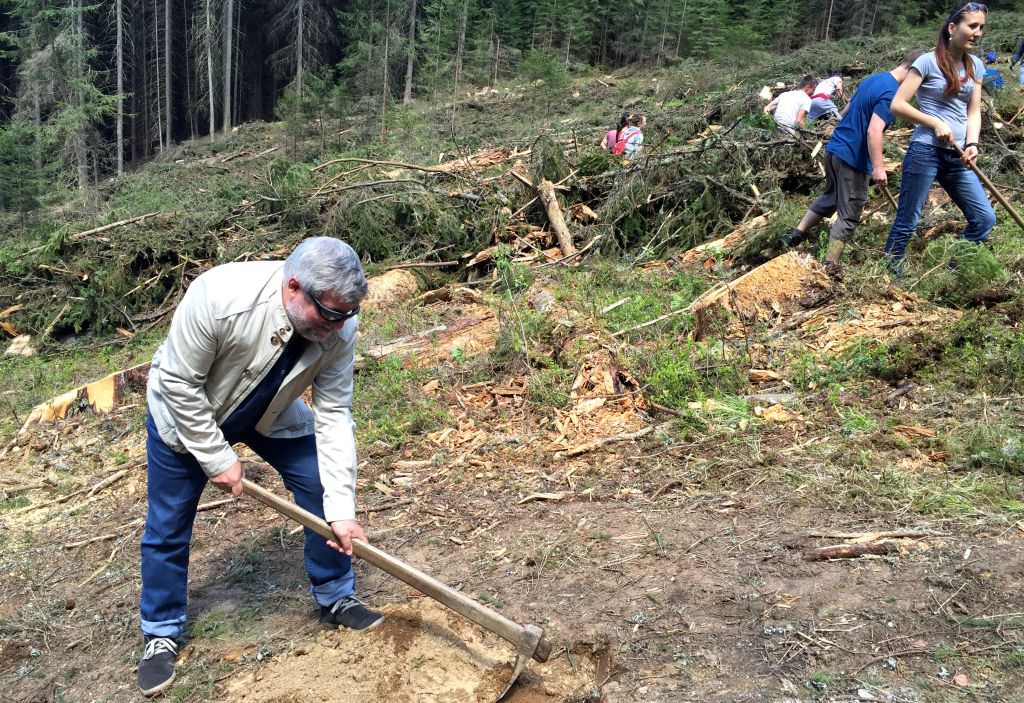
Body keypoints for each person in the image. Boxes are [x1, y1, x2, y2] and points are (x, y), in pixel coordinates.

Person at [137, 238, 380, 696]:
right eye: (328, 315)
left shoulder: (340, 322)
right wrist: (215, 456)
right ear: (294, 288)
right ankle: (161, 631)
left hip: (272, 411)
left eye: (346, 316)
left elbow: (333, 412)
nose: (336, 328)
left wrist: (342, 506)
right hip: (187, 414)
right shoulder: (219, 296)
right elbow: (177, 381)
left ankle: (335, 596)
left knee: (318, 486)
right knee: (168, 523)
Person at [781, 51, 926, 280]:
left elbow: (847, 108)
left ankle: (794, 235)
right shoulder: (891, 94)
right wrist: (878, 167)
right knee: (849, 215)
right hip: (853, 159)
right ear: (912, 71)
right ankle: (829, 267)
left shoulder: (874, 79)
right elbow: (874, 130)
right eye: (919, 79)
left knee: (830, 198)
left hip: (835, 148)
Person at [884, 3, 996, 276]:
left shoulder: (976, 66)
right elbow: (898, 104)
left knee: (984, 218)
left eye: (981, 27)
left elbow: (973, 112)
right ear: (951, 28)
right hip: (926, 150)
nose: (977, 32)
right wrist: (934, 122)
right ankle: (890, 275)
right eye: (972, 26)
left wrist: (972, 144)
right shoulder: (927, 61)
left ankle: (949, 274)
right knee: (908, 221)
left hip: (958, 156)